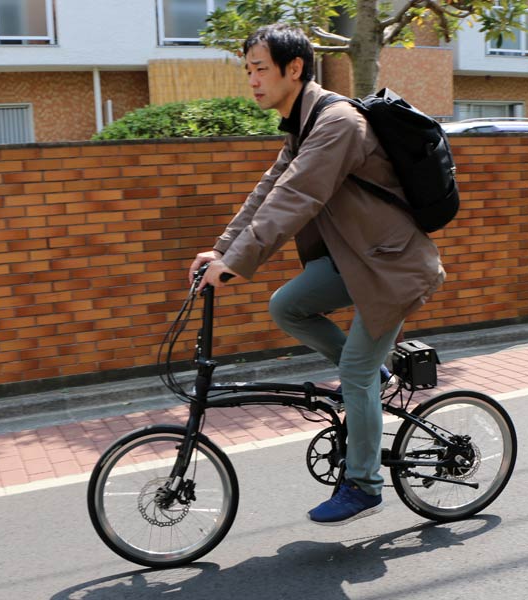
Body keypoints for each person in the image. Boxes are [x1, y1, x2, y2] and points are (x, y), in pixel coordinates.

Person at [189, 24, 445, 526]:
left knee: (353, 369)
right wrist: (220, 251)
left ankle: (364, 483)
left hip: (392, 268)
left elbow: (296, 197)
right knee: (288, 306)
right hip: (358, 260)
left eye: (260, 69)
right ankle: (375, 376)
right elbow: (267, 192)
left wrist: (237, 264)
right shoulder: (302, 126)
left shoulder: (337, 123)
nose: (252, 81)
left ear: (295, 69)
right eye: (247, 70)